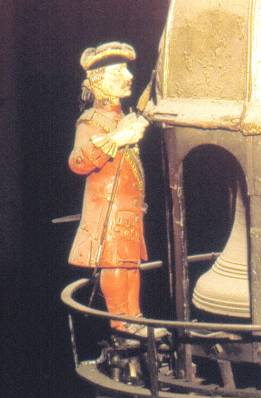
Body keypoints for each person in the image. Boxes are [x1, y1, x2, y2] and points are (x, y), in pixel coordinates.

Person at [68, 41, 163, 339]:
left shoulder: (121, 118)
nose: (128, 76)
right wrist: (118, 138)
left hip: (128, 209)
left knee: (130, 265)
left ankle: (134, 318)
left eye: (126, 69)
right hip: (107, 211)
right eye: (118, 71)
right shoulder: (91, 121)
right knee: (115, 264)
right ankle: (122, 324)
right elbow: (78, 162)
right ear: (99, 82)